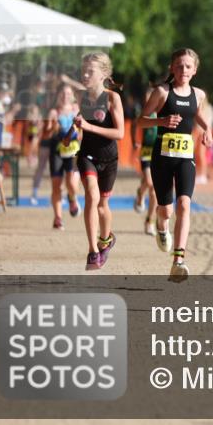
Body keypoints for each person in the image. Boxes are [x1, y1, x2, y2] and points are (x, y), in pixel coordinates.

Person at [136, 48, 213, 282]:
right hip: (162, 156)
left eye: (188, 66)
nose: (183, 70)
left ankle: (178, 261)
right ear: (172, 68)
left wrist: (207, 129)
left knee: (184, 204)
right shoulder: (162, 92)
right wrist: (162, 120)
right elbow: (140, 121)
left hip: (185, 157)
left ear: (195, 70)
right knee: (167, 209)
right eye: (179, 66)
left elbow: (196, 113)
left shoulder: (198, 94)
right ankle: (161, 225)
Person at [75, 52, 125, 271]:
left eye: (90, 71)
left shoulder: (113, 98)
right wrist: (72, 133)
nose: (85, 75)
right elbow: (79, 121)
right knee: (91, 196)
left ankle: (106, 240)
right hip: (87, 155)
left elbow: (120, 133)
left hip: (109, 158)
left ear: (104, 74)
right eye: (83, 70)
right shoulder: (81, 96)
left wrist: (89, 127)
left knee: (103, 205)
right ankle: (93, 250)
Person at [42, 84, 81, 229]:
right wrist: (53, 128)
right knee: (56, 186)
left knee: (72, 183)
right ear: (58, 95)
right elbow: (45, 135)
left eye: (68, 93)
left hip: (74, 150)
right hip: (57, 151)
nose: (65, 96)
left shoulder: (77, 109)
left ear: (72, 96)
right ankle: (58, 218)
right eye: (63, 93)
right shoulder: (53, 112)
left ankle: (72, 198)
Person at [132, 84, 159, 235]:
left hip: (159, 152)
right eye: (147, 97)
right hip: (146, 151)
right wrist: (134, 141)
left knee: (154, 190)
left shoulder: (162, 111)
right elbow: (134, 126)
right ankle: (140, 193)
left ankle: (150, 221)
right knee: (149, 183)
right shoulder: (143, 113)